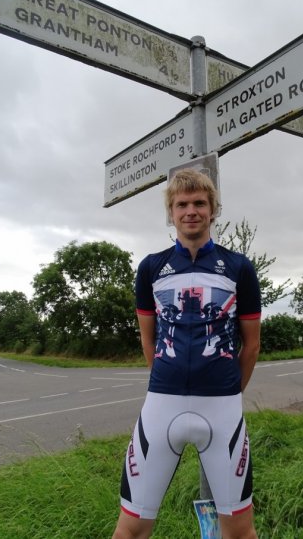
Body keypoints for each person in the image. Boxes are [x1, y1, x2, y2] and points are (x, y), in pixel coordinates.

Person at [112, 169, 261, 539]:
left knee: (240, 530)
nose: (190, 210)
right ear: (171, 213)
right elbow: (149, 340)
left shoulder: (240, 268)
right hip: (161, 406)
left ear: (213, 210)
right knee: (131, 527)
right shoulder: (151, 268)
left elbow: (252, 344)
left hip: (222, 408)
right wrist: (166, 380)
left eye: (199, 203)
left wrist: (228, 390)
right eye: (181, 204)